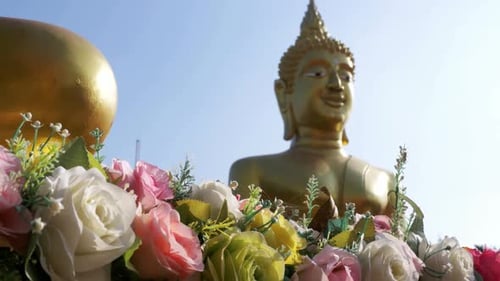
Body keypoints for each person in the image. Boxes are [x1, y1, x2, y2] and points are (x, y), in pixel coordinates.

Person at [229, 0, 394, 215]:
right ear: (283, 92)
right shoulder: (254, 171)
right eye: (317, 73)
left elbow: (401, 245)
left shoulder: (385, 180)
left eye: (346, 76)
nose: (337, 85)